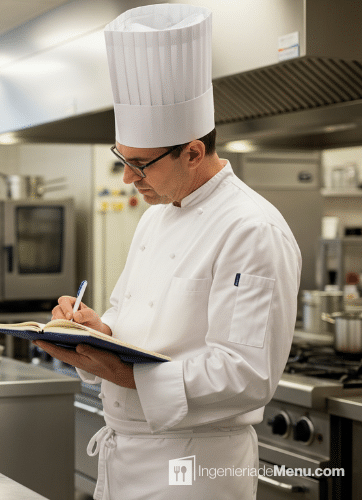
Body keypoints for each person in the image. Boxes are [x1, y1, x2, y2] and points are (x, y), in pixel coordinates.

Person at [33, 5, 301, 499]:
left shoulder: (252, 229)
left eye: (140, 165)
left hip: (193, 465)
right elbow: (132, 320)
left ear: (193, 152)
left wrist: (123, 373)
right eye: (123, 159)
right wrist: (96, 331)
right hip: (127, 454)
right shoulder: (155, 216)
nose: (127, 179)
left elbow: (247, 373)